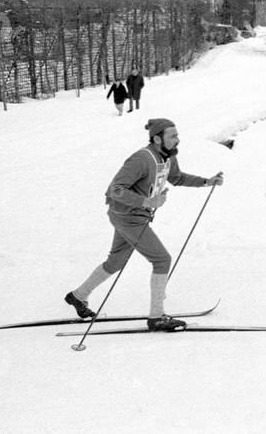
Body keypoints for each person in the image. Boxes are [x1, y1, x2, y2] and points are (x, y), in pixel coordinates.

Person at [64, 118, 224, 331]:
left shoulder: (168, 156)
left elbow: (176, 178)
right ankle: (156, 317)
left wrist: (206, 181)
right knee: (162, 259)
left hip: (133, 215)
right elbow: (115, 189)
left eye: (177, 135)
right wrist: (147, 202)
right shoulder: (142, 159)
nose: (178, 139)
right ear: (157, 139)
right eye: (172, 136)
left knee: (116, 261)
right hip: (128, 216)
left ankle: (78, 295)